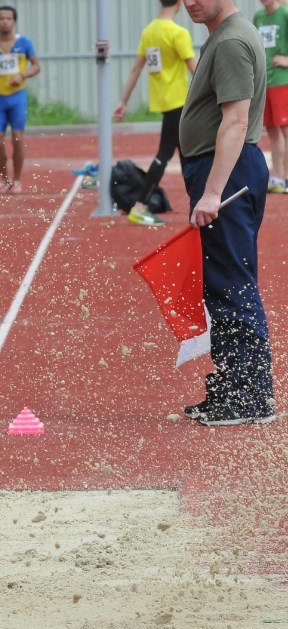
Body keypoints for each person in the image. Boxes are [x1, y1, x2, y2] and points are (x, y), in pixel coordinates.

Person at [179, 0, 274, 426]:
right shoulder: (224, 35)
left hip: (228, 175)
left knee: (231, 281)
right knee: (223, 280)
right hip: (225, 170)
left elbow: (235, 122)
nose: (189, 2)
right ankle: (234, 384)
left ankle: (249, 395)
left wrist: (213, 191)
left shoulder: (232, 40)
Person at [112, 0, 197, 226]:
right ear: (179, 3)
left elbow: (136, 68)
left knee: (187, 155)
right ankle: (140, 205)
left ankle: (197, 205)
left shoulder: (149, 31)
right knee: (165, 154)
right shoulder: (178, 33)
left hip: (164, 100)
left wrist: (124, 101)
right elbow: (194, 69)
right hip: (179, 101)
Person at [0, 6, 40, 194]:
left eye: (9, 18)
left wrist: (22, 75)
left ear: (14, 22)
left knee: (17, 138)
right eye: (2, 18)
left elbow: (36, 66)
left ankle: (17, 180)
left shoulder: (24, 42)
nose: (5, 21)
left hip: (17, 97)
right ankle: (5, 179)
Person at [254, 0, 288, 193]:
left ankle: (284, 175)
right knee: (272, 130)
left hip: (283, 80)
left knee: (285, 130)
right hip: (264, 80)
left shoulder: (285, 14)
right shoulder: (258, 17)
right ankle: (277, 176)